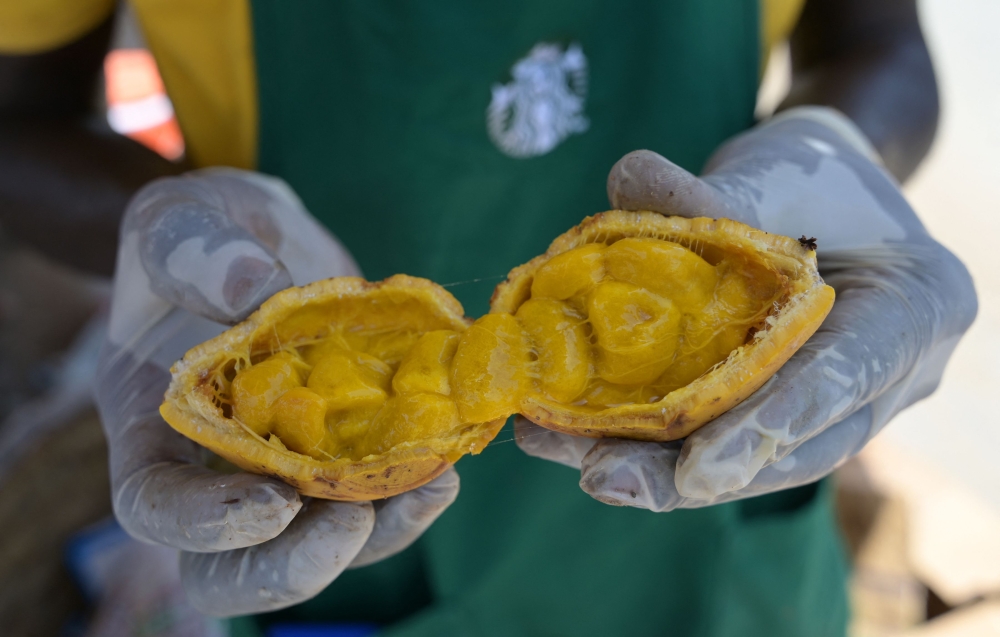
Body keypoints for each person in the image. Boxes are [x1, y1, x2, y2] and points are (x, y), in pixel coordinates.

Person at [0, 1, 977, 635]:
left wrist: (835, 145)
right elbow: (22, 121)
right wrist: (155, 227)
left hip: (719, 512)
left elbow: (873, 41)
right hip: (365, 540)